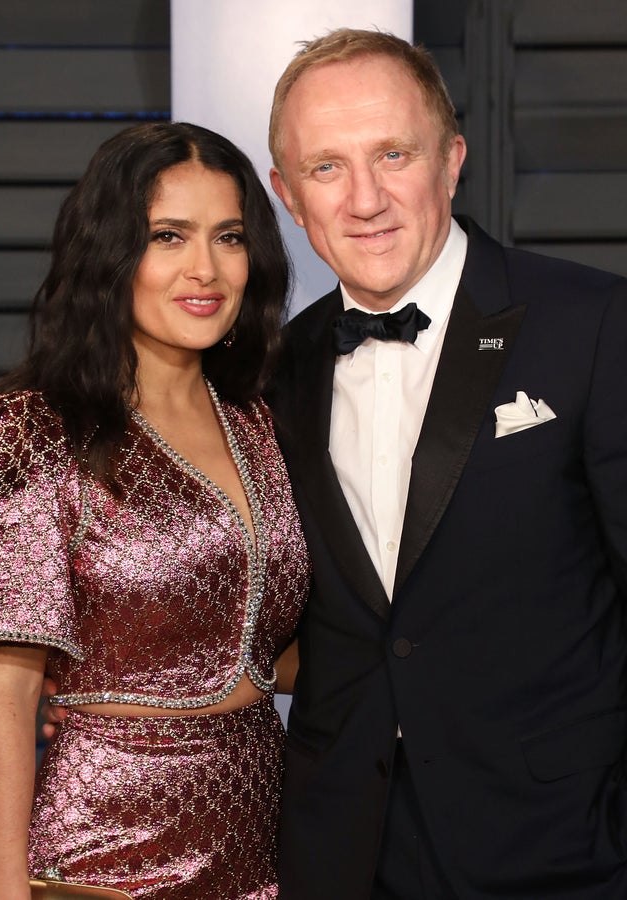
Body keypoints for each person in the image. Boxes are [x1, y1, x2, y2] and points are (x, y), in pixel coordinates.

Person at [265, 27, 627, 899]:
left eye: (394, 153)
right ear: (287, 194)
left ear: (453, 159)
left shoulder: (594, 325)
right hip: (338, 854)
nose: (364, 199)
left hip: (561, 851)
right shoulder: (272, 371)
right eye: (326, 169)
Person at [0, 122, 310, 900]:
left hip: (267, 834)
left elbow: (266, 642)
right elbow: (3, 694)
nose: (206, 268)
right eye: (168, 236)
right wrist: (5, 893)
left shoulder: (261, 421)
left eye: (228, 237)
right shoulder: (27, 431)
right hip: (105, 847)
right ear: (110, 255)